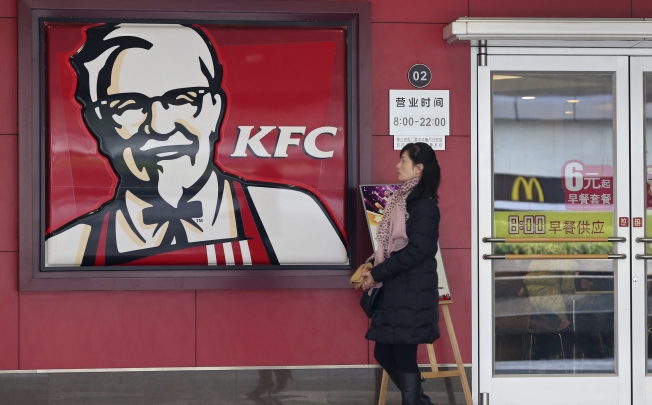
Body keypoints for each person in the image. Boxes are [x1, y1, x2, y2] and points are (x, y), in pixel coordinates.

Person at [45, 23, 347, 267]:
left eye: (183, 100)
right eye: (129, 105)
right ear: (98, 123)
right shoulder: (68, 248)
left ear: (215, 109)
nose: (161, 126)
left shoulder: (296, 219)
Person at [361, 142, 441, 405]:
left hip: (412, 292)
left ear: (418, 168)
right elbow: (389, 245)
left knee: (403, 354)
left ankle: (415, 401)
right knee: (385, 352)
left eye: (403, 161)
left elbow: (416, 251)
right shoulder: (401, 200)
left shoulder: (425, 206)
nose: (397, 165)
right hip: (400, 289)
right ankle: (420, 401)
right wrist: (374, 265)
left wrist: (379, 273)